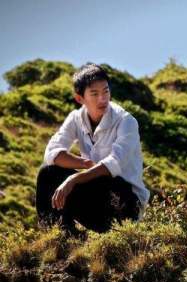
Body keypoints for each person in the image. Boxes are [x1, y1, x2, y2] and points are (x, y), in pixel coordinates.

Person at [36, 63, 150, 234]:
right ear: (80, 98)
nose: (102, 99)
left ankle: (105, 235)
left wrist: (74, 179)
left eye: (106, 91)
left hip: (125, 204)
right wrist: (83, 163)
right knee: (47, 173)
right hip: (96, 199)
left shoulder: (126, 121)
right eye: (94, 94)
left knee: (107, 179)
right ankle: (61, 237)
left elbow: (114, 163)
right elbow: (51, 152)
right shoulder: (76, 118)